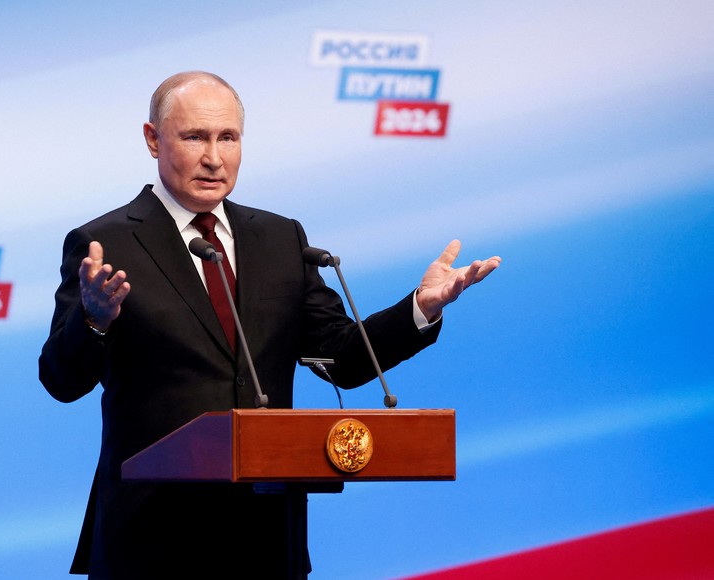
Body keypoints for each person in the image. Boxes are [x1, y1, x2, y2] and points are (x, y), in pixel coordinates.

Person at [39, 70, 501, 579]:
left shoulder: (280, 238)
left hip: (267, 539)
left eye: (228, 138)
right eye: (194, 137)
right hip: (152, 538)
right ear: (153, 140)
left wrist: (422, 306)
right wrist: (94, 320)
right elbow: (61, 380)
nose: (214, 157)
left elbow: (341, 358)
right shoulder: (105, 244)